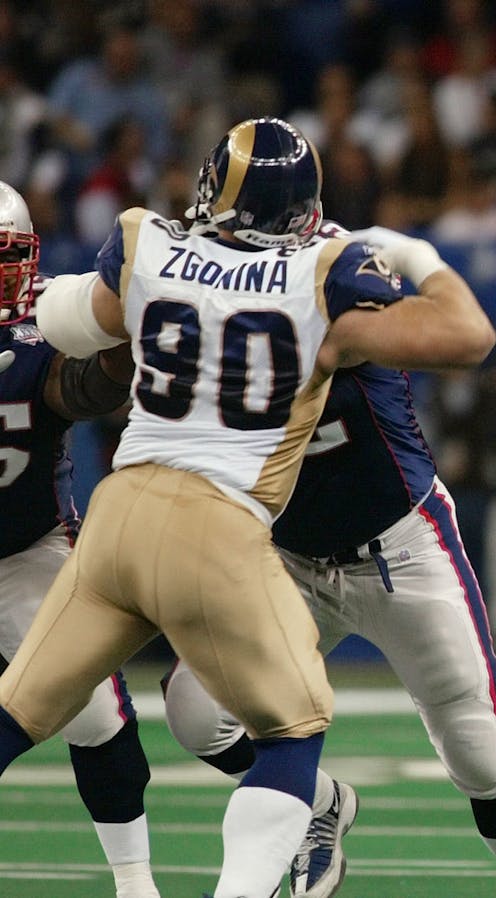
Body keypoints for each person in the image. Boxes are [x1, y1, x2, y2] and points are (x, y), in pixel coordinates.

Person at [0, 116, 495, 898]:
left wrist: (52, 308)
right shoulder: (324, 272)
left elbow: (67, 325)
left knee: (17, 712)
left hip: (118, 518)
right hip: (216, 528)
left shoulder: (146, 242)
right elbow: (469, 337)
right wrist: (422, 260)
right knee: (293, 731)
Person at [161, 288, 496, 898]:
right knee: (198, 714)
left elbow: (463, 338)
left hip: (400, 548)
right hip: (288, 559)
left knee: (480, 753)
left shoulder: (336, 286)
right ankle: (319, 805)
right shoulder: (206, 299)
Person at [0, 180, 159, 898]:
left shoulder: (50, 319)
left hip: (28, 548)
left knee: (94, 712)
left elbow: (89, 391)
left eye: (7, 257)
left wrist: (119, 349)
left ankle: (135, 882)